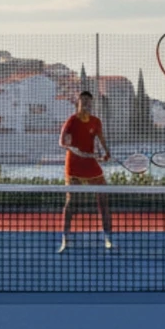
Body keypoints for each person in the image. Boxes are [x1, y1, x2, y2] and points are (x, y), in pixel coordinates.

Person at [59, 89, 113, 252]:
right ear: (78, 103)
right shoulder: (72, 121)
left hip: (90, 164)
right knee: (71, 202)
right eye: (83, 101)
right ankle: (65, 239)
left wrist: (106, 152)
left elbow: (101, 138)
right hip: (74, 165)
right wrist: (77, 152)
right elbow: (62, 142)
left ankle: (108, 238)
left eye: (89, 101)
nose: (86, 104)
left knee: (103, 200)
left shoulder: (96, 121)